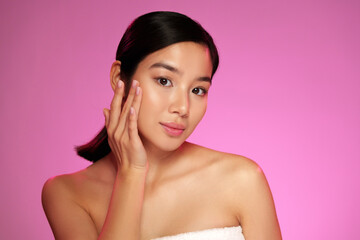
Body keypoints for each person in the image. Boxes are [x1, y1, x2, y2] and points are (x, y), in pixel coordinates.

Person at [41, 11, 282, 240]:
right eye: (164, 81)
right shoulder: (67, 194)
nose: (183, 107)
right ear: (118, 78)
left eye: (198, 90)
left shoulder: (242, 179)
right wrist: (132, 173)